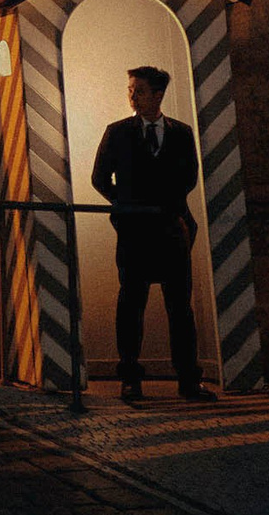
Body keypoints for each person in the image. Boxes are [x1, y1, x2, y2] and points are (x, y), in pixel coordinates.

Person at [89, 65, 212, 402]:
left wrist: (166, 204)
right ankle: (129, 378)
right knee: (131, 304)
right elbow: (99, 178)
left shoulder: (182, 133)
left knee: (180, 308)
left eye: (139, 90)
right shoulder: (117, 132)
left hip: (172, 229)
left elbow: (189, 177)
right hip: (134, 232)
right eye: (130, 89)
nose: (132, 95)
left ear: (158, 95)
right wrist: (125, 205)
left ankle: (189, 380)